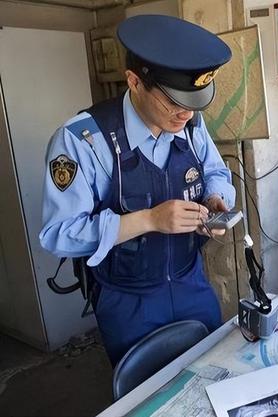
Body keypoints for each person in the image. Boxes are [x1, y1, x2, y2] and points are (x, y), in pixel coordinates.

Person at [39, 15, 236, 367]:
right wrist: (148, 220)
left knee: (213, 376)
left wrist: (215, 199)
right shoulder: (83, 140)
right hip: (129, 301)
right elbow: (58, 234)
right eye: (173, 102)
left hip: (191, 282)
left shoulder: (191, 125)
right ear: (134, 82)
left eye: (193, 104)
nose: (185, 116)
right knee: (146, 395)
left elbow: (215, 170)